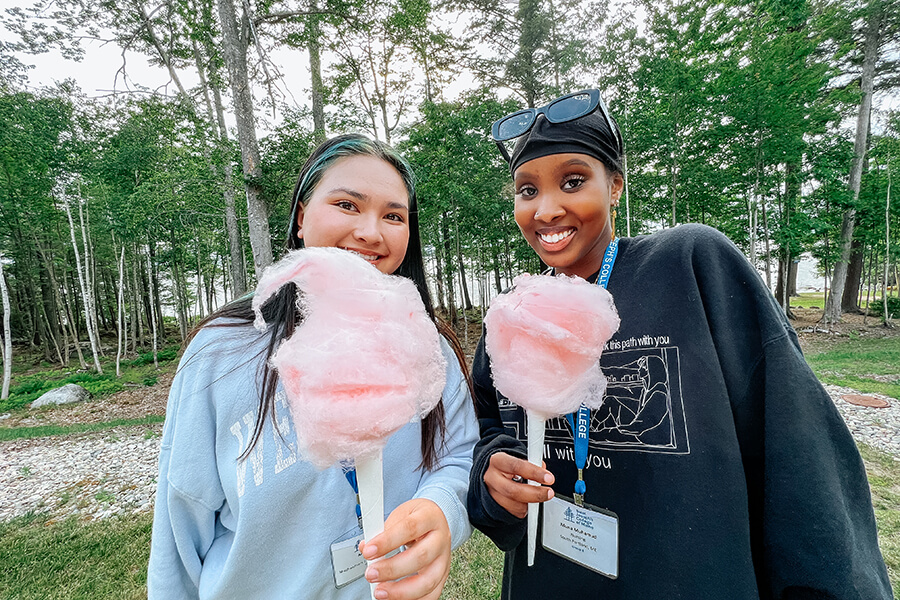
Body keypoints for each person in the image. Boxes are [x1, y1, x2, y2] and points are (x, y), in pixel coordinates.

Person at [467, 89, 893, 599]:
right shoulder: (512, 315)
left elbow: (799, 455)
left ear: (616, 187)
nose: (547, 208)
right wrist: (492, 478)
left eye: (573, 181)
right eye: (526, 191)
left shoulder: (691, 265)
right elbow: (486, 431)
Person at [148, 133, 479, 600]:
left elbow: (460, 456)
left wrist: (442, 509)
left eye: (394, 215)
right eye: (347, 204)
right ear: (301, 217)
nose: (371, 232)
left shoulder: (427, 345)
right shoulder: (218, 354)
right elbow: (181, 522)